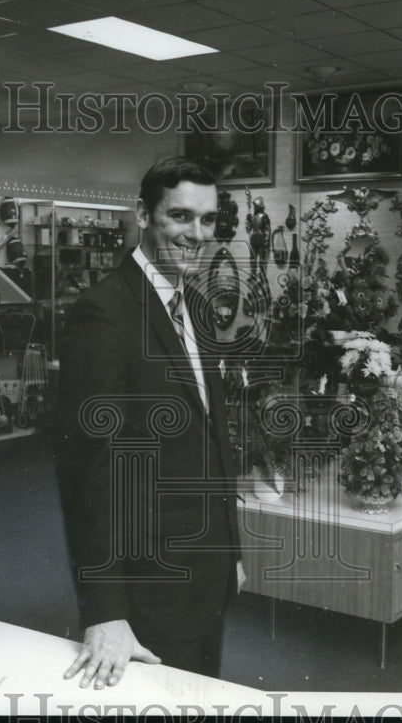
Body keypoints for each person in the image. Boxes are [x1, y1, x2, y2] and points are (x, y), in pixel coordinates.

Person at [55, 157, 244, 690]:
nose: (197, 234)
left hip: (205, 571)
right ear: (142, 214)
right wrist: (104, 610)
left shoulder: (195, 307)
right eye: (180, 216)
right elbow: (86, 472)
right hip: (148, 585)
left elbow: (210, 435)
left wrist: (230, 551)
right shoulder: (104, 313)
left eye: (208, 221)